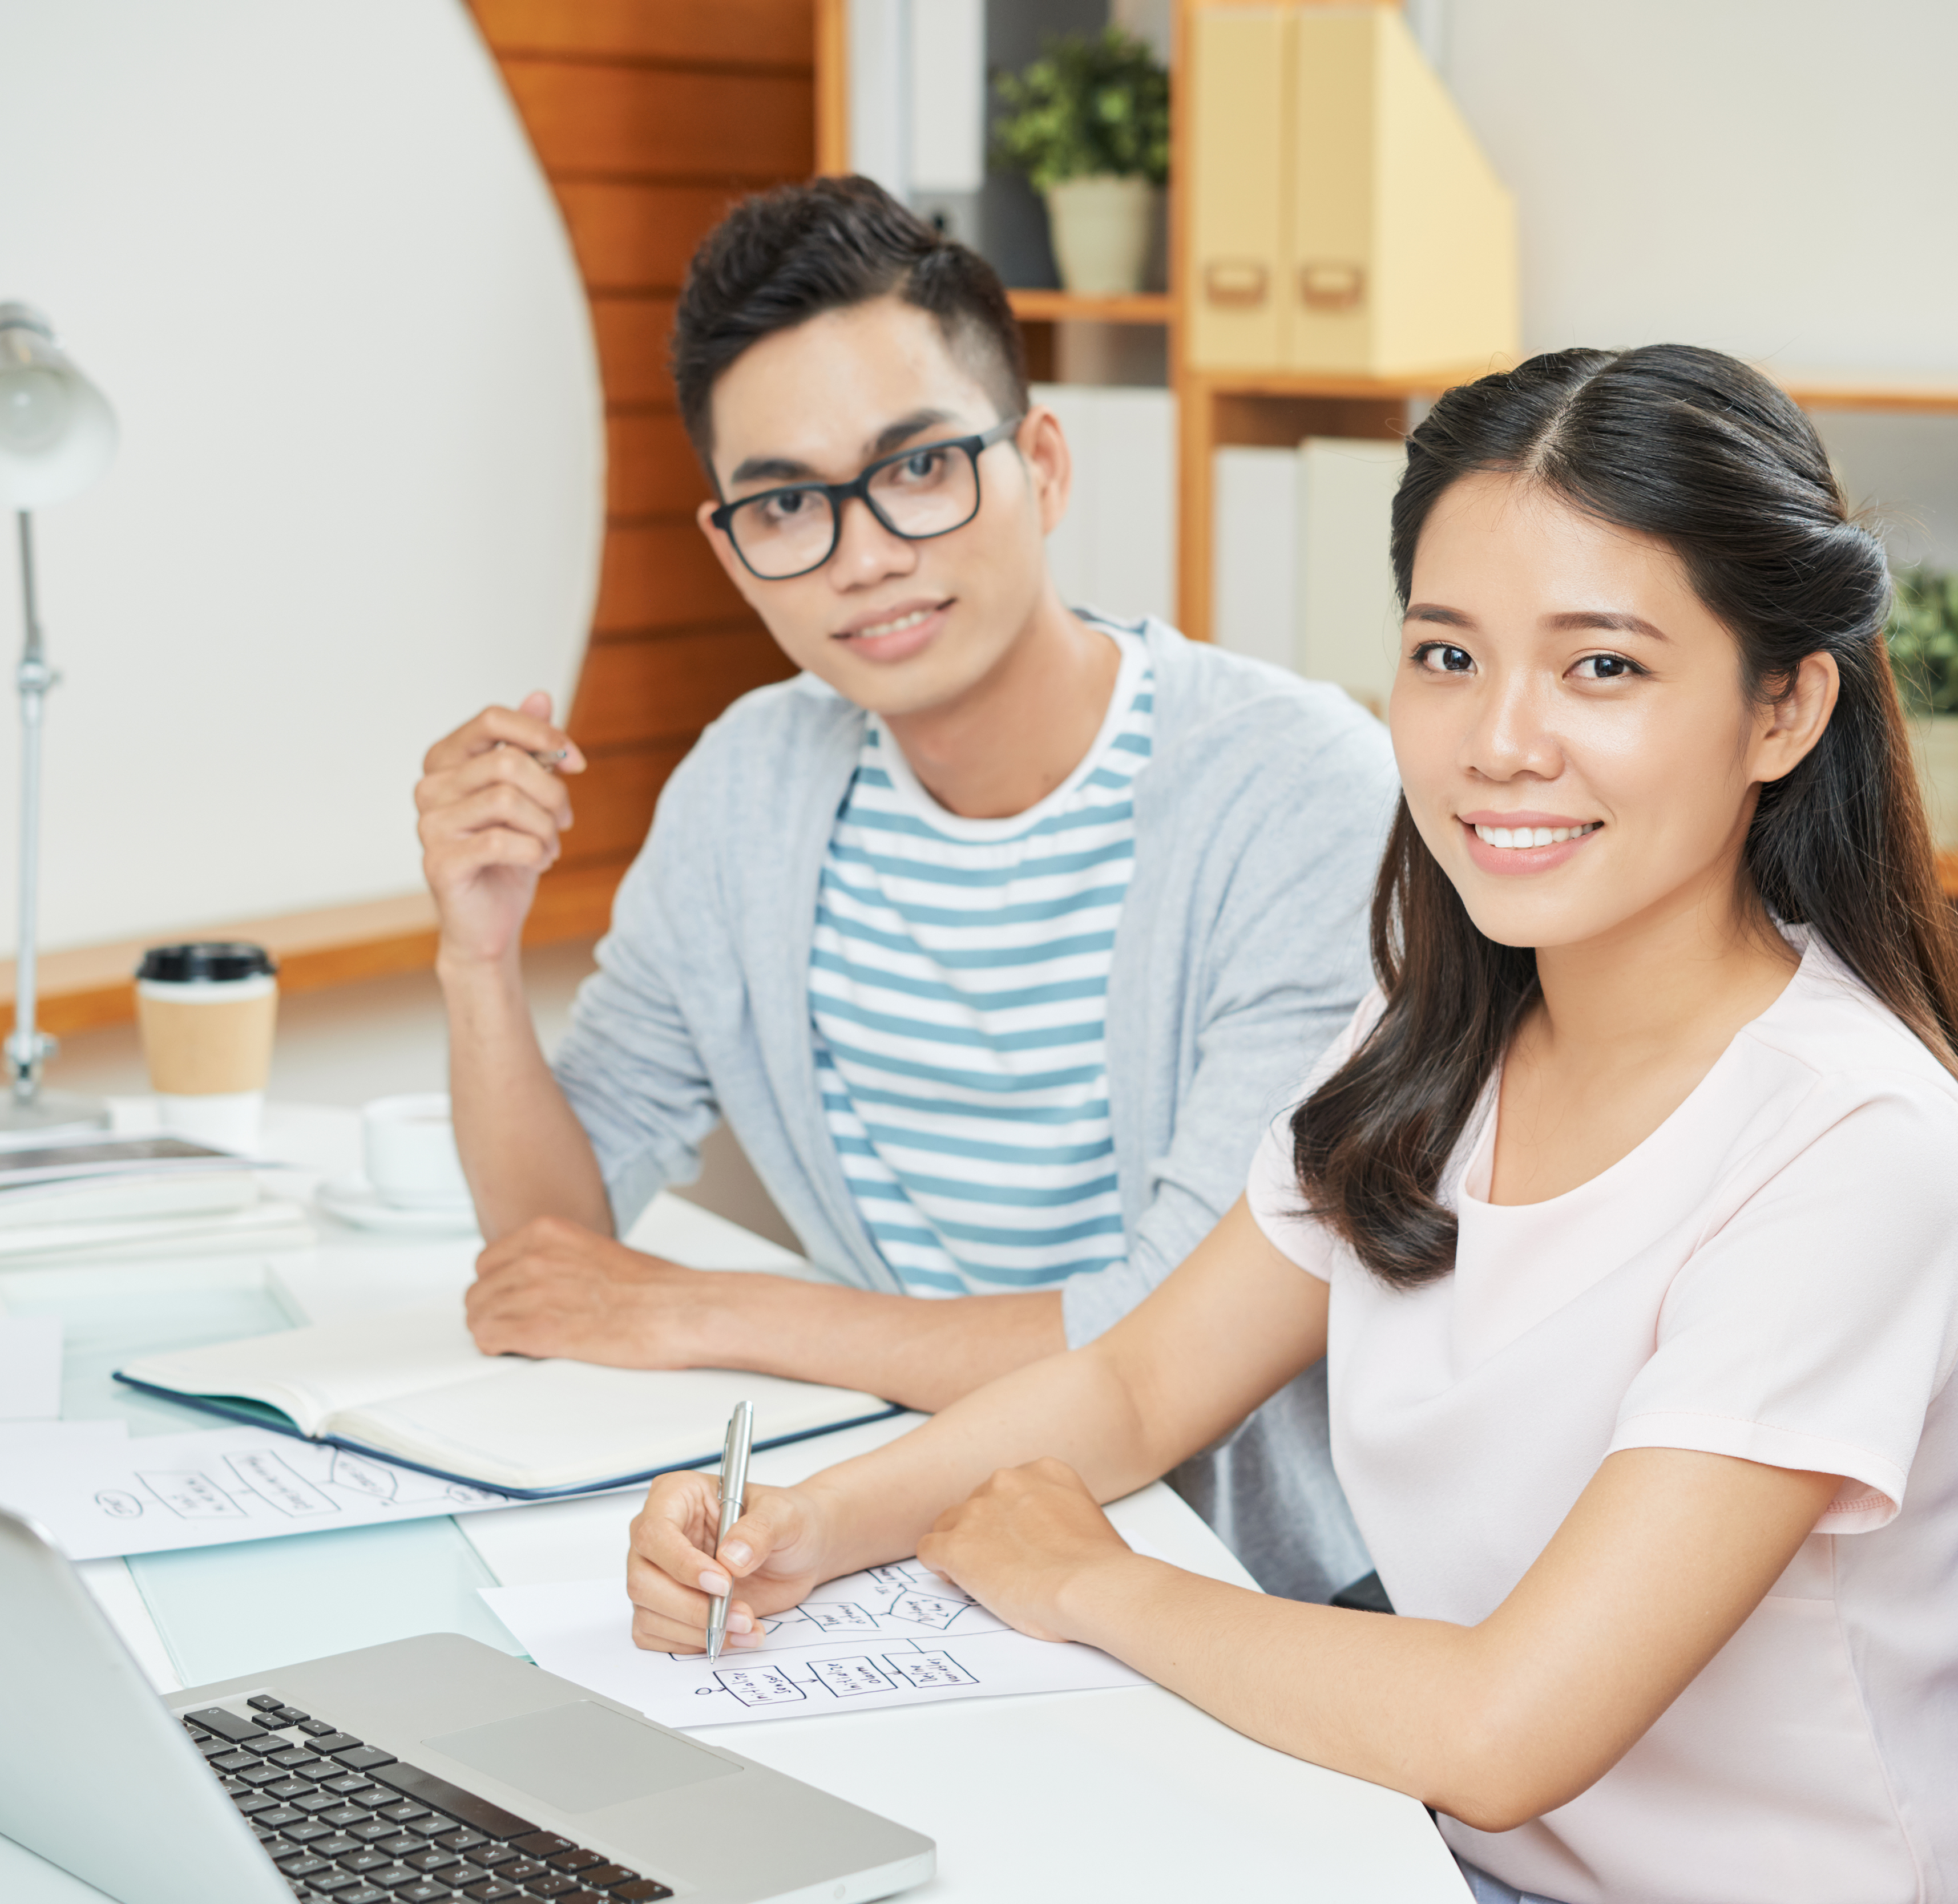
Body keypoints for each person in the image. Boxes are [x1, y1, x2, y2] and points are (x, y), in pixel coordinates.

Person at [624, 345, 1958, 1904]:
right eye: (1448, 656)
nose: (1499, 739)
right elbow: (1133, 1384)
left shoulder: (1846, 1139)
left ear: (1782, 710)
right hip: (1430, 1860)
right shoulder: (1441, 1030)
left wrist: (1091, 1580)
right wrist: (802, 1531)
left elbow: (1508, 1730)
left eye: (1604, 667)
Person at [412, 177, 1397, 1602]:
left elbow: (1161, 1340)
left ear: (1043, 466)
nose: (863, 553)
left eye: (920, 467)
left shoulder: (1294, 791)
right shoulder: (749, 785)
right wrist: (476, 961)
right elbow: (553, 1256)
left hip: (1236, 1580)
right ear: (733, 549)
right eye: (785, 503)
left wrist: (703, 1311)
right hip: (900, 1541)